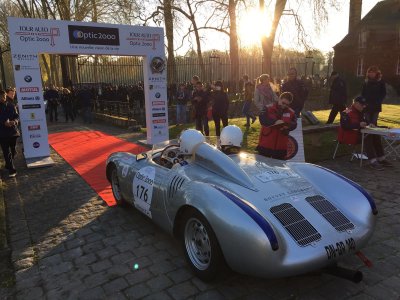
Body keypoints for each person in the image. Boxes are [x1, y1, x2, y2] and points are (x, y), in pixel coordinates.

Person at [339, 96, 392, 170]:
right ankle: (372, 161)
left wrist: (369, 124)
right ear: (356, 103)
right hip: (349, 136)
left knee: (375, 135)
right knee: (367, 136)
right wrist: (358, 125)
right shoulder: (346, 112)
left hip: (359, 134)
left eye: (364, 105)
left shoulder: (361, 112)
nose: (364, 106)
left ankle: (381, 158)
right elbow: (345, 126)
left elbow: (365, 122)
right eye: (362, 105)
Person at [256, 92, 297, 160]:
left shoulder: (291, 112)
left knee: (279, 169)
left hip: (280, 149)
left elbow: (294, 124)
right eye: (283, 103)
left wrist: (288, 127)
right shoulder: (267, 108)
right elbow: (262, 119)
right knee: (263, 168)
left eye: (287, 104)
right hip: (266, 145)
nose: (284, 105)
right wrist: (274, 122)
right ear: (279, 99)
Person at [0, 90, 20, 177]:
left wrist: (15, 121)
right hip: (2, 133)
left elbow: (17, 116)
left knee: (13, 150)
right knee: (6, 151)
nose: (3, 98)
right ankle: (12, 170)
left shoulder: (11, 105)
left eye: (4, 96)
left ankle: (8, 164)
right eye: (1, 96)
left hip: (13, 132)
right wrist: (3, 122)